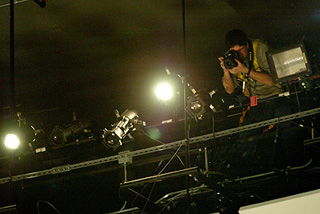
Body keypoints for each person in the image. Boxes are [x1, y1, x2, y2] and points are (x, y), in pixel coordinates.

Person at [218, 29, 303, 174]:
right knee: (245, 131)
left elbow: (271, 80)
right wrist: (226, 70)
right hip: (257, 102)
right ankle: (249, 169)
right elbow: (230, 90)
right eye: (234, 51)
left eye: (241, 50)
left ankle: (293, 164)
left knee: (286, 125)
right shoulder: (232, 59)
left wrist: (245, 69)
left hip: (278, 96)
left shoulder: (260, 48)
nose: (239, 55)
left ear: (246, 44)